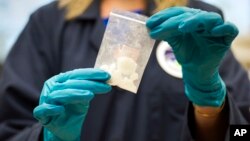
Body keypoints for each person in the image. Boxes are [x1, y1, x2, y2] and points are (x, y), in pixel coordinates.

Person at [0, 0, 249, 141]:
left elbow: (241, 133)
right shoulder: (48, 23)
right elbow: (10, 130)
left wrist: (209, 102)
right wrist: (49, 136)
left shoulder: (197, 23)